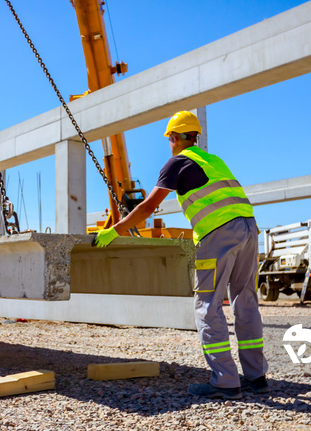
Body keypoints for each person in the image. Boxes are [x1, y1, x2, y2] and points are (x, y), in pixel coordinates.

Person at [94, 111, 268, 399]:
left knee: (208, 305)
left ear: (174, 138)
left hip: (218, 233)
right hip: (249, 229)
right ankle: (256, 376)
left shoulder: (178, 162)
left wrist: (116, 230)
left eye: (170, 139)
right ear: (195, 136)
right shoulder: (212, 160)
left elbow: (149, 207)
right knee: (245, 301)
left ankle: (225, 380)